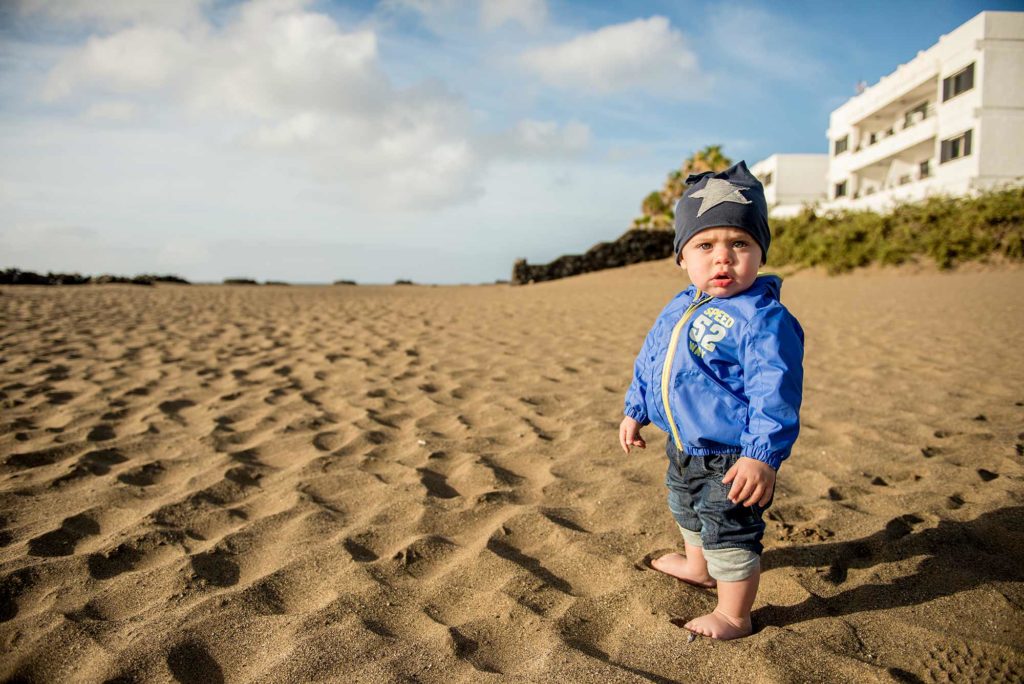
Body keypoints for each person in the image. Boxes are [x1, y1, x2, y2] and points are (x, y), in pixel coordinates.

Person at [619, 161, 804, 640]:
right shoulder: (681, 304)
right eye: (705, 245)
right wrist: (635, 409)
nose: (723, 258)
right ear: (683, 257)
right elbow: (653, 357)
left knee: (730, 528)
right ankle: (698, 567)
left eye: (739, 244)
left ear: (760, 253)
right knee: (687, 510)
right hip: (683, 445)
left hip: (731, 453)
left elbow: (774, 391)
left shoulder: (762, 318)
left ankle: (733, 614)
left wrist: (761, 456)